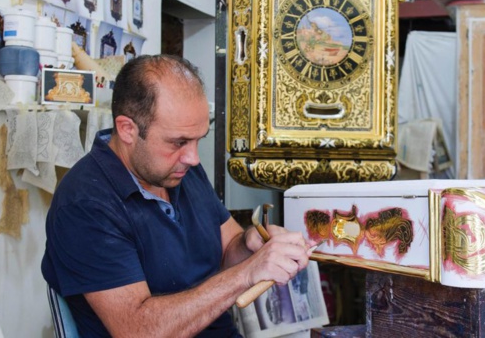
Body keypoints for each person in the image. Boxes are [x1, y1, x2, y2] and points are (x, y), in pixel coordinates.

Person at [41, 54, 315, 337]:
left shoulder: (178, 169)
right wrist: (247, 273)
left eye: (198, 140)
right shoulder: (86, 204)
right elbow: (137, 331)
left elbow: (228, 247)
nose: (194, 158)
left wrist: (249, 244)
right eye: (179, 142)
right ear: (127, 130)